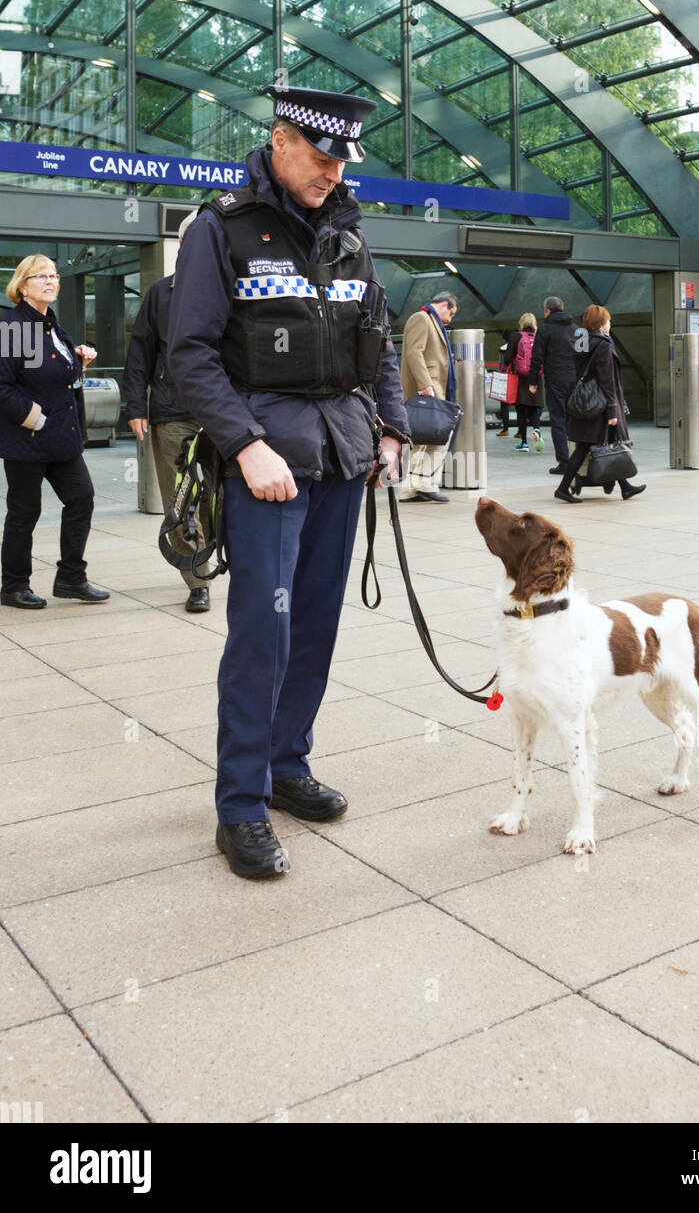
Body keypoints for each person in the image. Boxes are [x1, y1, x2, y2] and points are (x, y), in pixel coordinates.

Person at [167, 84, 408, 882]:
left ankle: (284, 764)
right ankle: (238, 805)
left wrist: (392, 428)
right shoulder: (221, 228)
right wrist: (244, 446)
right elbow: (191, 354)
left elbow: (376, 338)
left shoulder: (348, 233)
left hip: (341, 457)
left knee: (313, 627)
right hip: (267, 463)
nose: (333, 172)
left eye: (343, 160)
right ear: (280, 140)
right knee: (261, 634)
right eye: (321, 155)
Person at [0, 254, 108, 608]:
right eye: (40, 276)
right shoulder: (16, 327)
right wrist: (37, 418)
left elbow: (55, 378)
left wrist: (79, 361)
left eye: (54, 276)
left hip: (62, 440)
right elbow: (4, 388)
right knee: (24, 513)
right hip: (28, 440)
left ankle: (71, 578)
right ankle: (14, 585)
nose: (50, 281)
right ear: (23, 285)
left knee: (81, 498)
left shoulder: (53, 327)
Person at [123, 212, 210, 613]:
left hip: (224, 414)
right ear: (182, 242)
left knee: (222, 499)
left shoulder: (229, 288)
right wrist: (135, 405)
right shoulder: (160, 293)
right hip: (173, 412)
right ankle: (197, 579)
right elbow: (140, 351)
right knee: (182, 499)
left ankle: (230, 562)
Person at [554, 304, 645, 504]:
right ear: (602, 322)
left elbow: (579, 369)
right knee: (590, 446)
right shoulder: (603, 345)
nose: (610, 323)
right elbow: (607, 379)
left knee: (606, 444)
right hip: (600, 404)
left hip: (585, 400)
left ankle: (625, 486)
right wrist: (613, 410)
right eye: (609, 320)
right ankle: (563, 488)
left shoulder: (582, 341)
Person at [400, 290, 458, 502]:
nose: (450, 319)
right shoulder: (422, 318)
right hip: (428, 389)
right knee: (435, 437)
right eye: (451, 313)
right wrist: (425, 384)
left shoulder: (430, 321)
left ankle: (411, 489)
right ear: (443, 304)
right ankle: (422, 484)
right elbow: (414, 351)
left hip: (433, 387)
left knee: (422, 440)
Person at [527, 296, 577, 474]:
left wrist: (533, 381)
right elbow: (585, 355)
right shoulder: (577, 329)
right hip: (575, 380)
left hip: (555, 380)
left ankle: (564, 462)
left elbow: (537, 356)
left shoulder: (545, 329)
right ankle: (577, 460)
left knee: (558, 420)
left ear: (547, 310)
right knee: (574, 420)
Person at [503, 312, 543, 452]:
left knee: (521, 410)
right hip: (536, 377)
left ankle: (524, 443)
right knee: (533, 408)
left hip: (520, 378)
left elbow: (507, 357)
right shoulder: (539, 337)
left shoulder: (515, 336)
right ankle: (537, 430)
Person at [495, 332, 511, 436]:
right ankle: (520, 431)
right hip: (516, 377)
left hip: (505, 378)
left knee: (504, 405)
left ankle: (505, 429)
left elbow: (502, 365)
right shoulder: (518, 347)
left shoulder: (503, 349)